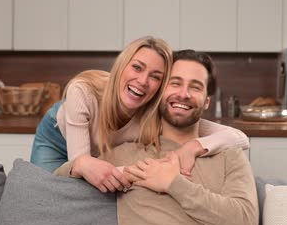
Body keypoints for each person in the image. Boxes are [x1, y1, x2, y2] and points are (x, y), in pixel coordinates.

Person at [56, 50, 259, 225]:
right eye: (175, 83)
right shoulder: (125, 153)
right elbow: (56, 187)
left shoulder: (229, 155)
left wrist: (174, 184)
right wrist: (81, 163)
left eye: (195, 87)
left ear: (207, 101)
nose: (184, 94)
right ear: (160, 93)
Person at [31, 36, 250, 193]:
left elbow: (239, 137)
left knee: (87, 197)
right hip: (58, 138)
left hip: (98, 156)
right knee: (40, 195)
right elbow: (81, 164)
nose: (143, 81)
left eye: (155, 76)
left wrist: (192, 147)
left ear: (161, 86)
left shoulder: (153, 114)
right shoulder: (83, 90)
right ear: (121, 66)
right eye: (137, 68)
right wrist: (150, 173)